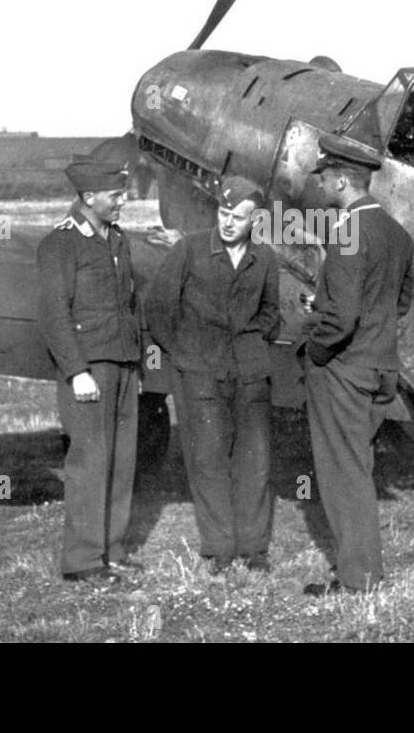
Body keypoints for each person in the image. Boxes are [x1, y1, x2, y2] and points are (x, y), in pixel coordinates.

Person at [145, 175, 280, 574]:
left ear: (254, 222)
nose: (228, 223)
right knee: (208, 459)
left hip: (249, 372)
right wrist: (185, 353)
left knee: (254, 459)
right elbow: (159, 308)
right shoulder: (188, 251)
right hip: (199, 372)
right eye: (223, 213)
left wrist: (253, 343)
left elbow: (272, 313)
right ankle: (219, 547)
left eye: (238, 217)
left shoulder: (265, 258)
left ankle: (254, 548)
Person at [301, 133, 414, 596]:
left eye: (325, 178)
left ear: (344, 179)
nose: (321, 185)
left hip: (344, 370)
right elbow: (399, 303)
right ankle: (360, 569)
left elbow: (342, 316)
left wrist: (316, 349)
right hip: (381, 368)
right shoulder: (398, 234)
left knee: (343, 474)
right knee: (357, 468)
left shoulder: (347, 230)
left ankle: (358, 577)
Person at [36, 156, 143, 584]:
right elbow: (53, 314)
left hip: (122, 364)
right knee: (89, 462)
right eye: (116, 196)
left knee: (121, 460)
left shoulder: (117, 239)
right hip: (89, 368)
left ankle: (111, 550)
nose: (123, 201)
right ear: (88, 197)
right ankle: (82, 560)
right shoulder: (60, 244)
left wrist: (136, 363)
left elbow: (129, 305)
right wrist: (76, 370)